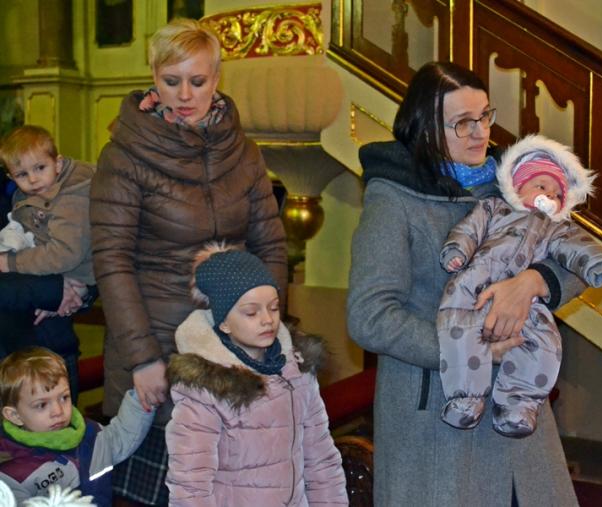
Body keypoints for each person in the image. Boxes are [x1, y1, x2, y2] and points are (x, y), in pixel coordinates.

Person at [347, 61, 586, 507]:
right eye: (462, 123)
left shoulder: (510, 184)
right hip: (436, 412)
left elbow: (576, 253)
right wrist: (468, 346)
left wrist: (533, 281)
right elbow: (370, 316)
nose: (480, 133)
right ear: (425, 128)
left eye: (485, 116)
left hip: (516, 403)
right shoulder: (393, 199)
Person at [90, 18, 288, 505]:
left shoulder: (244, 152)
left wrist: (264, 326)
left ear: (216, 79)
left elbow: (271, 246)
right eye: (171, 80)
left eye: (197, 81)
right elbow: (112, 261)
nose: (184, 95)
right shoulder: (124, 155)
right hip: (159, 346)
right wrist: (143, 359)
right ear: (153, 78)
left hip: (235, 349)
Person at [438, 134, 602, 437]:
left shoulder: (554, 228)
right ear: (518, 186)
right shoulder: (494, 208)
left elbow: (574, 246)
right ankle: (465, 398)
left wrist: (594, 262)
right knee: (457, 327)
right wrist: (457, 250)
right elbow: (470, 229)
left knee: (545, 344)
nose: (550, 196)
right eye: (541, 186)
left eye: (557, 194)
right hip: (475, 286)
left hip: (527, 305)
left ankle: (518, 406)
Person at [164, 244, 347, 505]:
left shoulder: (297, 370)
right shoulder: (206, 388)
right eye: (251, 312)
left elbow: (321, 459)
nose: (267, 320)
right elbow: (190, 485)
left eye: (273, 308)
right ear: (224, 322)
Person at [0, 125, 97, 402]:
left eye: (40, 168)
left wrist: (10, 262)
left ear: (59, 163)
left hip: (50, 336)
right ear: (11, 176)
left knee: (60, 417)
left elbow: (70, 252)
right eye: (22, 175)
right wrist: (50, 291)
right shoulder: (25, 194)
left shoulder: (72, 194)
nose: (33, 179)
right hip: (15, 339)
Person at [0, 347, 154, 505]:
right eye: (42, 405)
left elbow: (122, 436)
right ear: (15, 416)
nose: (58, 411)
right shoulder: (10, 475)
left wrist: (144, 395)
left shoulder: (90, 435)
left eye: (64, 397)